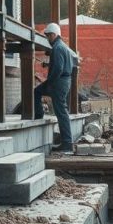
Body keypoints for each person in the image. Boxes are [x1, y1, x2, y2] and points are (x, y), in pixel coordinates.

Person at [35, 22, 73, 152]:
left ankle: (67, 144)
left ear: (54, 34)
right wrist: (48, 64)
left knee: (61, 112)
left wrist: (49, 81)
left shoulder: (57, 48)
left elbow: (58, 69)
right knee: (61, 111)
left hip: (58, 82)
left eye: (48, 36)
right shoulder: (63, 47)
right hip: (64, 81)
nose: (47, 38)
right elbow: (62, 65)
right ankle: (67, 143)